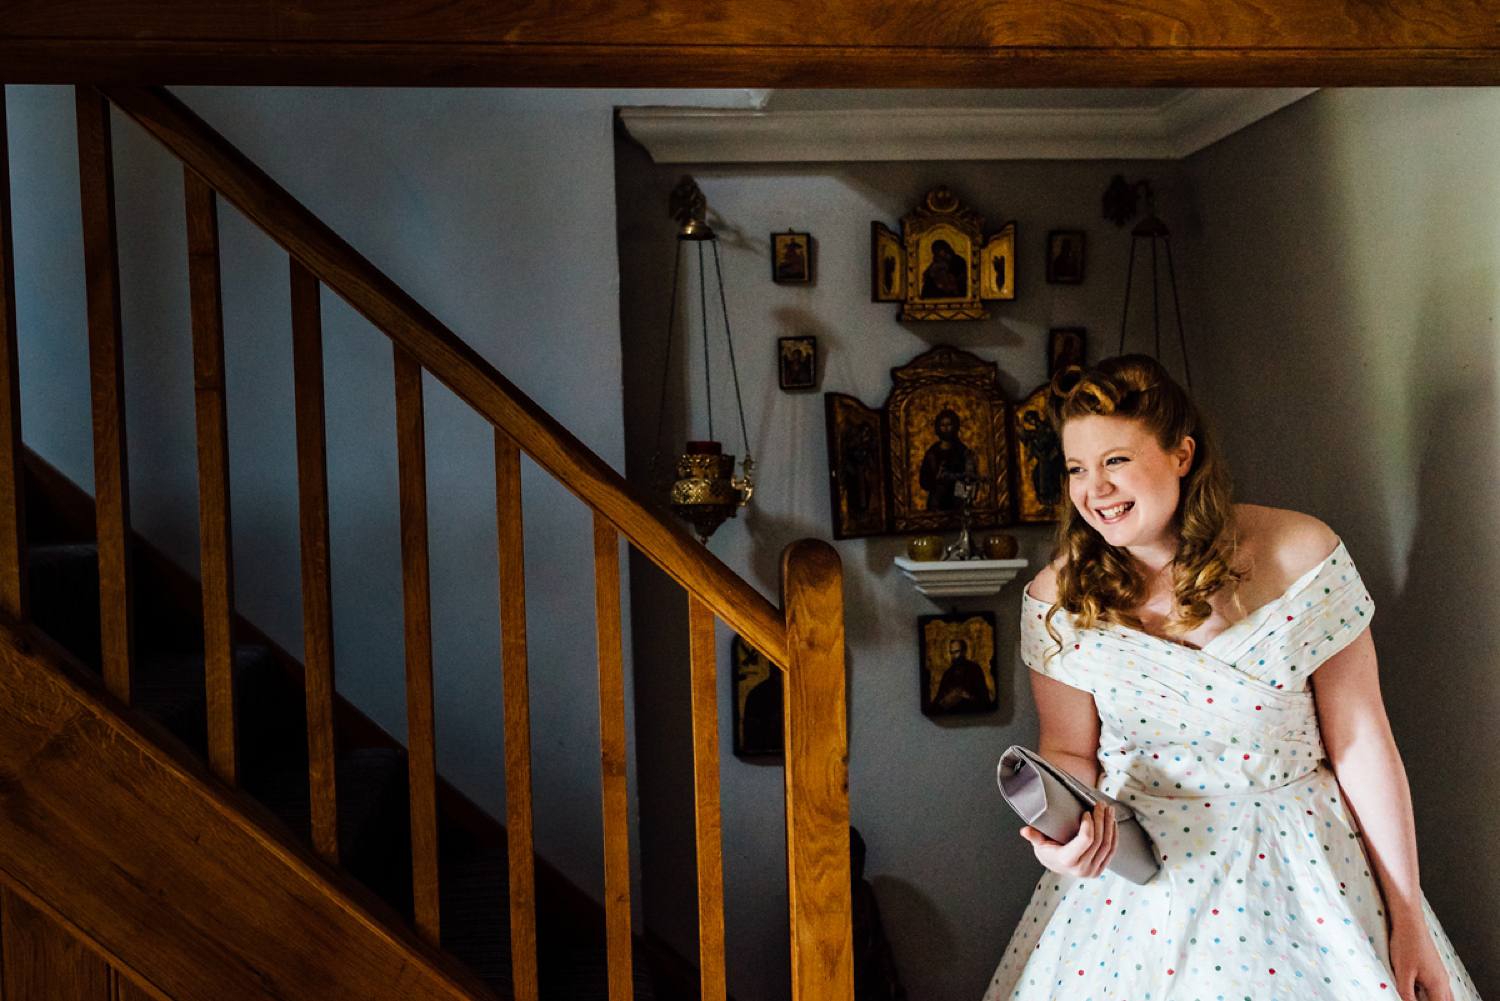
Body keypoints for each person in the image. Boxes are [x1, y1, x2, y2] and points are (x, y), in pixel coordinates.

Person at [984, 355, 1478, 1001]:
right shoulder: (1059, 596)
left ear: (1182, 454)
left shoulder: (1302, 553)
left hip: (1303, 870)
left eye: (1115, 460)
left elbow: (1362, 743)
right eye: (1077, 468)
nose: (1094, 489)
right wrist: (1064, 838)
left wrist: (1407, 916)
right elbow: (1069, 752)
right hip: (1142, 887)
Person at [918, 408, 977, 512]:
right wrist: (937, 477)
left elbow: (971, 476)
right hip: (937, 502)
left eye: (949, 424)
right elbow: (924, 481)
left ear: (954, 426)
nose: (946, 428)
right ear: (938, 427)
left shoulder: (962, 451)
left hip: (958, 500)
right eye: (942, 425)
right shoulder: (932, 453)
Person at [932, 637, 993, 713]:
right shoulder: (948, 673)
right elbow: (938, 701)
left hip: (972, 713)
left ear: (964, 652)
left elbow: (984, 698)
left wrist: (968, 696)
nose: (954, 656)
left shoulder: (974, 669)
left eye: (957, 652)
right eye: (952, 653)